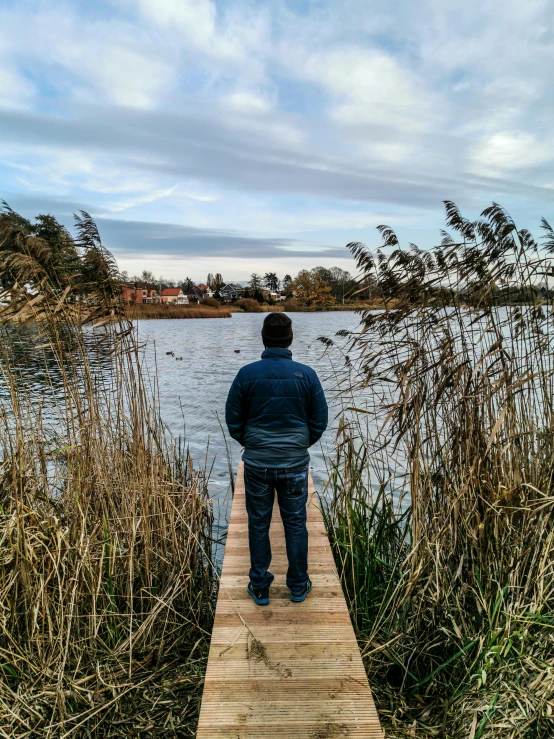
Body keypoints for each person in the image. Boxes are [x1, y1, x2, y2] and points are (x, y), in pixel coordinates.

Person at [225, 313, 328, 606]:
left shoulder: (246, 374)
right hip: (294, 464)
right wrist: (300, 443)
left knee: (258, 522)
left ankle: (259, 585)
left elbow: (233, 417)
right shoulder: (306, 374)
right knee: (295, 523)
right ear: (289, 339)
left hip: (257, 463)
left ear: (264, 338)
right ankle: (297, 585)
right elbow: (319, 419)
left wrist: (250, 442)